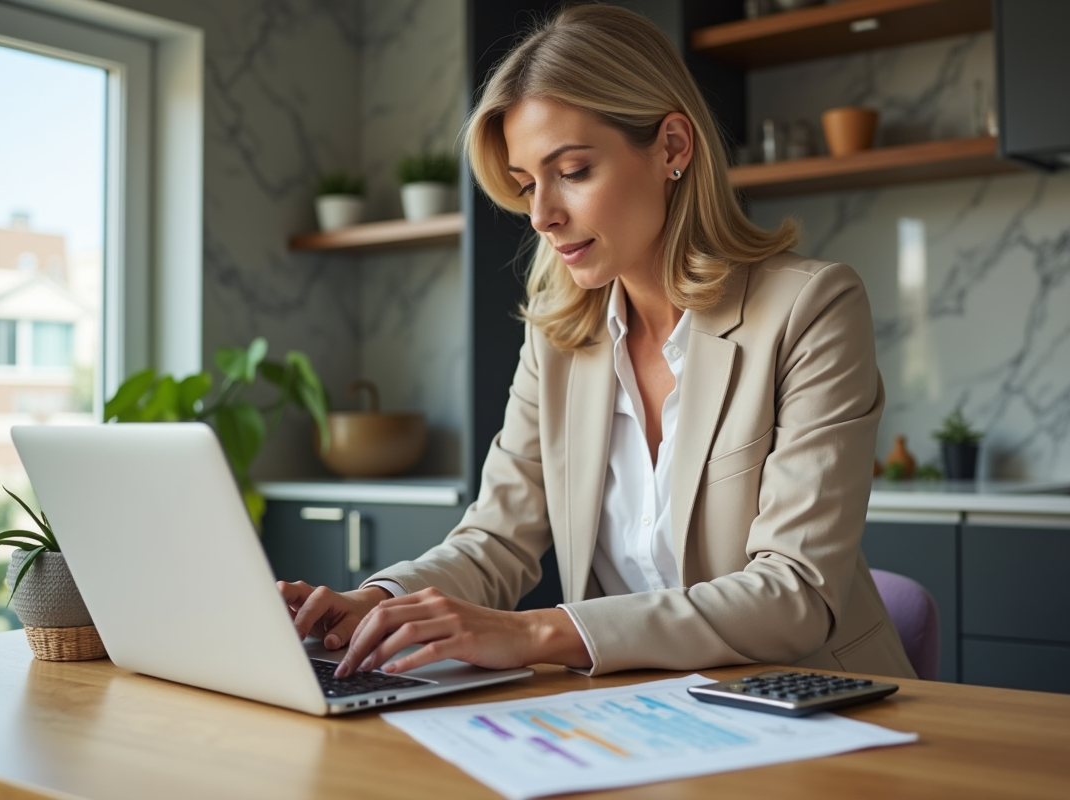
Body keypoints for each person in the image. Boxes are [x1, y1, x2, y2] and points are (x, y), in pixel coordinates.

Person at [279, 4, 915, 681]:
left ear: (673, 147)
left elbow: (793, 595)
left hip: (813, 707)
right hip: (637, 710)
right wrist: (377, 602)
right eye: (527, 185)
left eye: (574, 171)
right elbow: (496, 539)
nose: (542, 215)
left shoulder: (810, 308)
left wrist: (534, 632)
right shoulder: (559, 339)